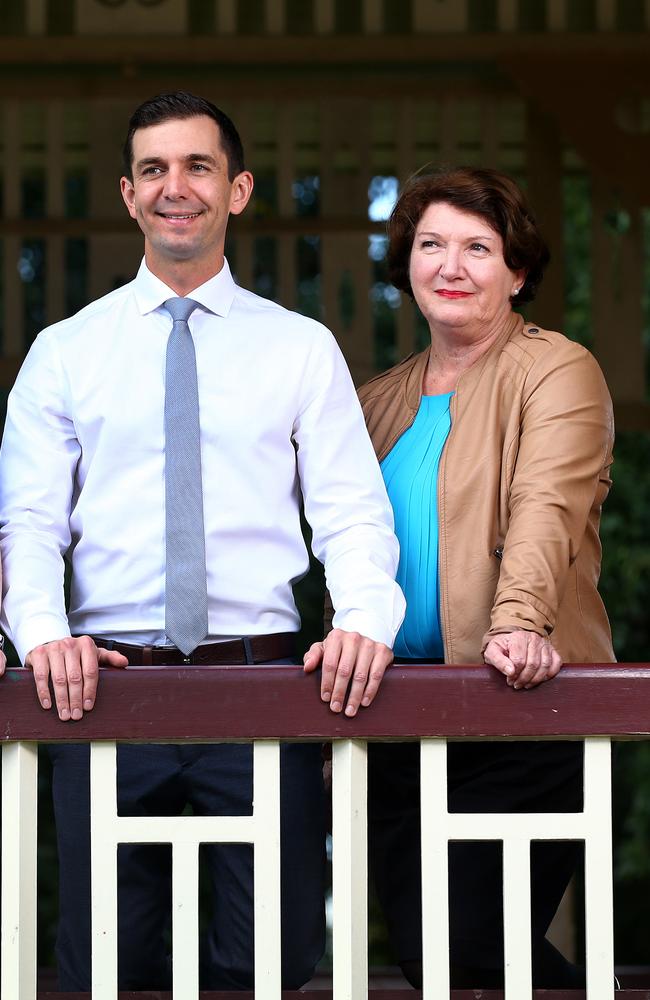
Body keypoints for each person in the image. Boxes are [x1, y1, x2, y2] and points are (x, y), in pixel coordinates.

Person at [0, 91, 405, 991]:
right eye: (154, 169)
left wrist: (365, 621)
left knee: (271, 965)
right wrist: (40, 638)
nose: (174, 186)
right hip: (104, 691)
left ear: (239, 190)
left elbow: (350, 512)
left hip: (263, 686)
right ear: (128, 194)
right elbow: (27, 522)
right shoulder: (64, 352)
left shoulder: (301, 349)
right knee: (108, 964)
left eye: (197, 167)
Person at [345, 166, 614, 989]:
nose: (450, 266)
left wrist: (519, 625)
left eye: (477, 248)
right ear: (408, 263)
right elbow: (343, 549)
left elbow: (545, 506)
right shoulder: (373, 401)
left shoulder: (558, 371)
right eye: (431, 245)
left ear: (518, 270)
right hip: (396, 720)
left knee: (481, 950)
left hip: (517, 708)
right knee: (433, 959)